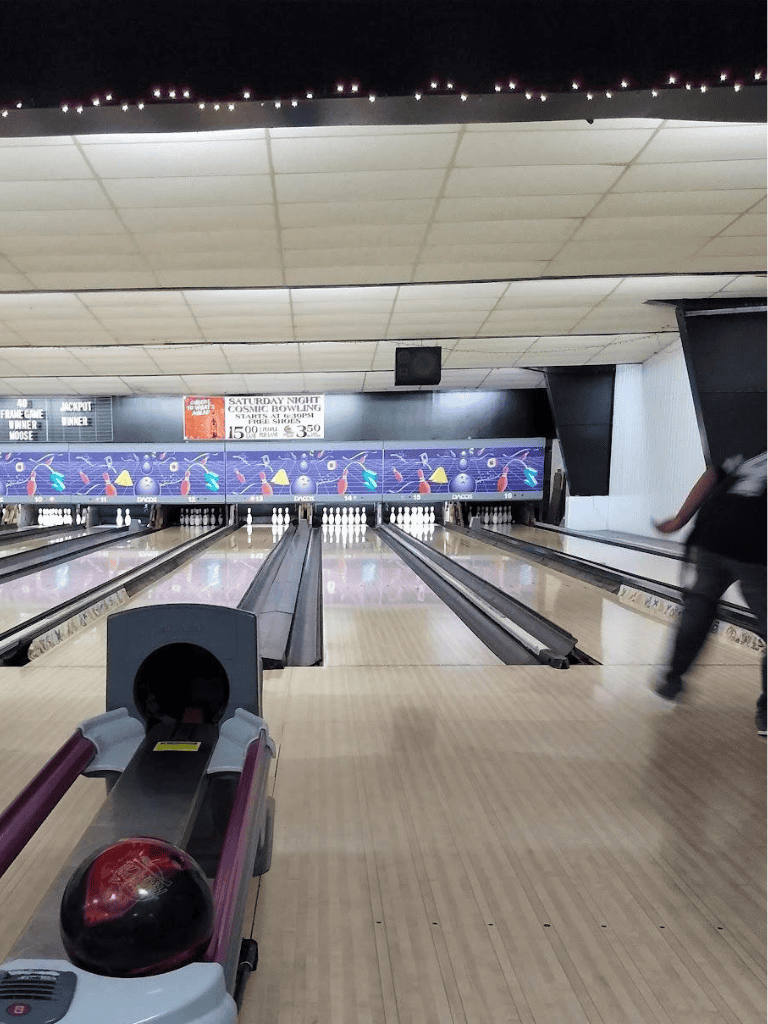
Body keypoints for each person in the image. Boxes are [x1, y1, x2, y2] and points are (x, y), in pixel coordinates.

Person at [653, 451, 766, 735]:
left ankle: (672, 679)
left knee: (700, 606)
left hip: (712, 536)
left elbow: (712, 474)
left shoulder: (752, 443)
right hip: (754, 545)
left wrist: (679, 520)